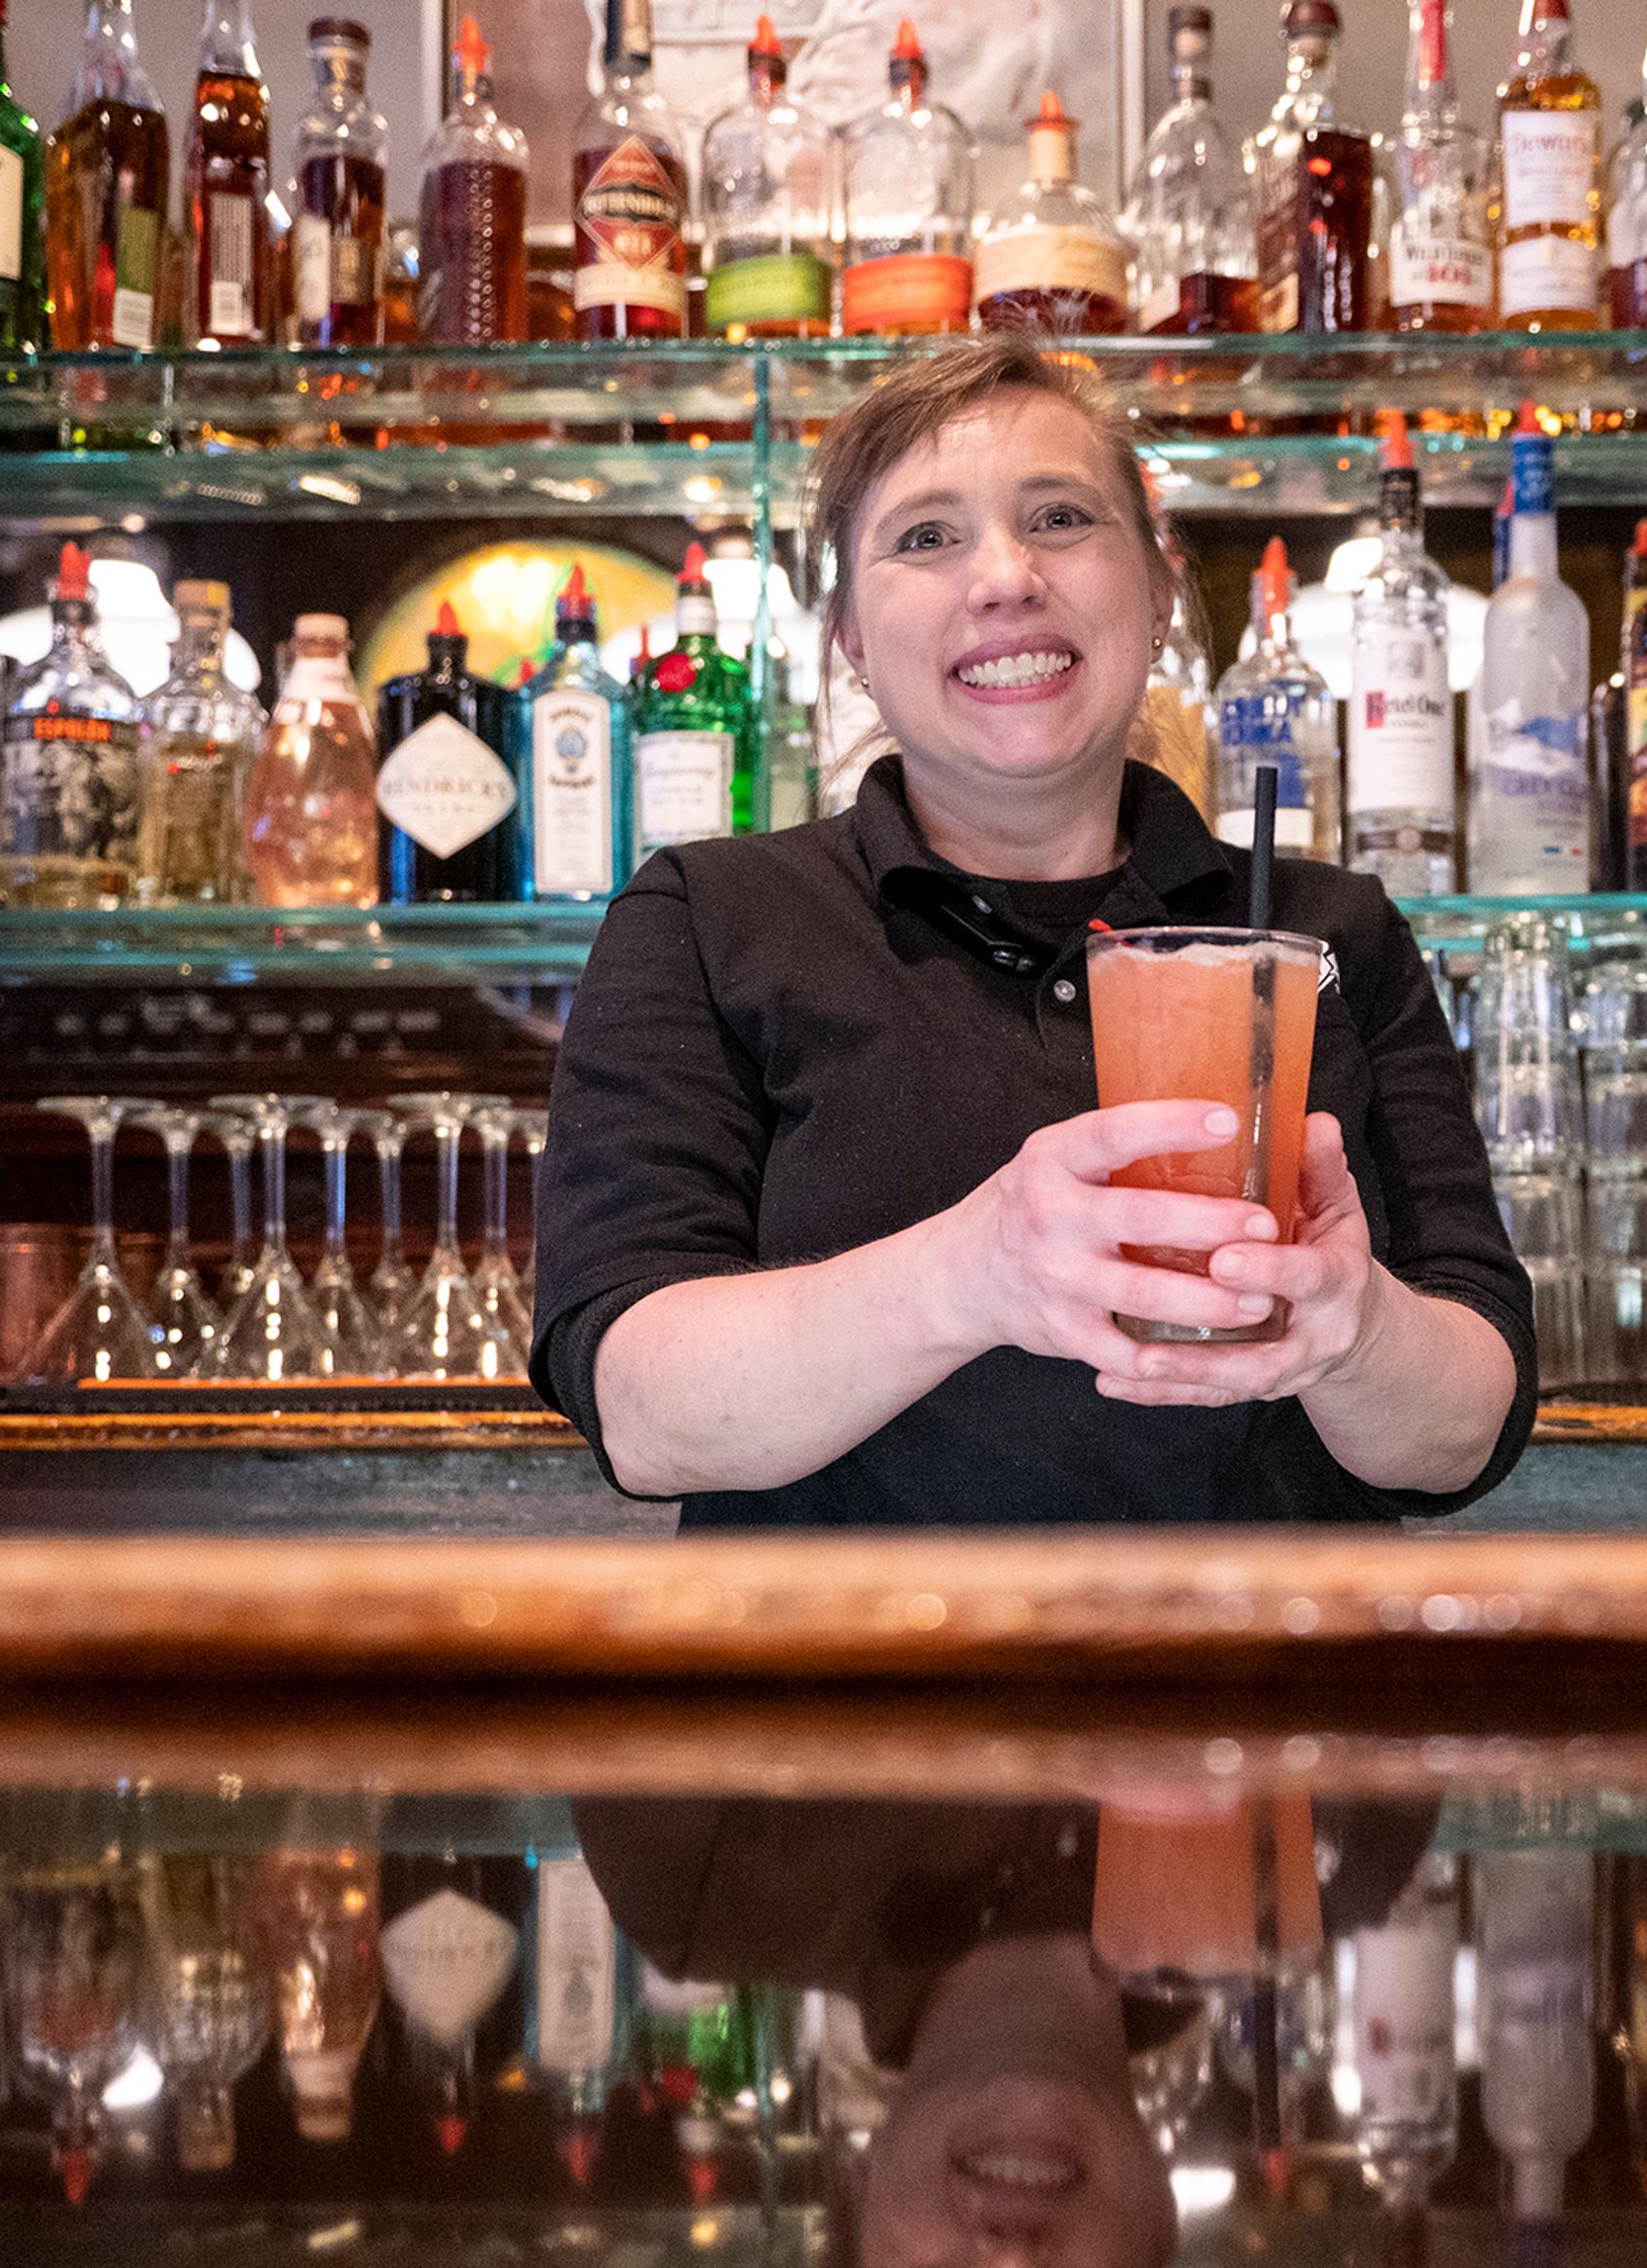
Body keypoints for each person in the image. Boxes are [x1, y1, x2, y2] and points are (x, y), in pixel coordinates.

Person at [533, 336, 1532, 1524]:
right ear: (849, 636)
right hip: (854, 1699)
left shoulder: (1328, 934)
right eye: (926, 536)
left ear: (1160, 593)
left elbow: (1467, 1428)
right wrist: (973, 1273)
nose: (1004, 576)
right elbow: (642, 1412)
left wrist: (1354, 1329)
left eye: (1061, 516)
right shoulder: (709, 917)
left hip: (1272, 1693)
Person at [577, 1792, 1437, 2268]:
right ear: (1160, 2225)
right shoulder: (1320, 1866)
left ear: (859, 2185)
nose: (1008, 2262)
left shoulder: (708, 1883)